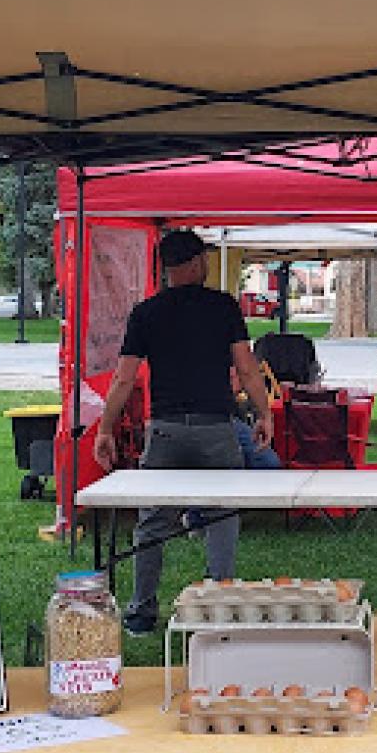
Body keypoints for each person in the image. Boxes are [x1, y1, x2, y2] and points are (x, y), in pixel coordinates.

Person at [93, 229, 278, 636]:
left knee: (153, 522)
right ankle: (217, 604)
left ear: (165, 268)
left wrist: (105, 428)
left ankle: (141, 611)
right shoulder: (223, 307)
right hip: (216, 427)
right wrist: (263, 414)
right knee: (222, 517)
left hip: (165, 430)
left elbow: (124, 380)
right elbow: (246, 368)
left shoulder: (146, 313)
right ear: (197, 263)